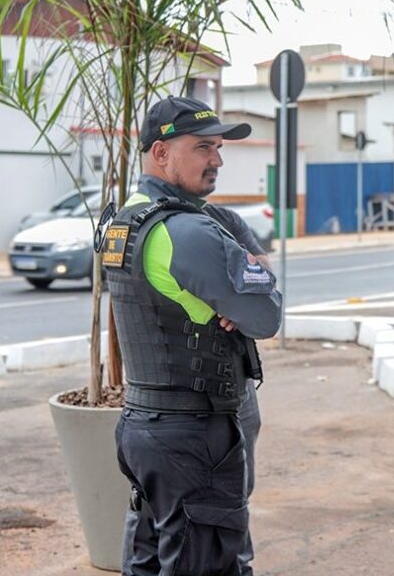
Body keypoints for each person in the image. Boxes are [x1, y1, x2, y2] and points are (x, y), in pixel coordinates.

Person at [102, 95, 282, 576]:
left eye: (219, 148)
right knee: (210, 561)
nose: (218, 160)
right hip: (195, 433)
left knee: (151, 555)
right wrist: (243, 280)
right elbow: (266, 315)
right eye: (204, 147)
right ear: (161, 153)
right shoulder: (192, 233)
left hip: (144, 423)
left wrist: (241, 271)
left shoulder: (128, 219)